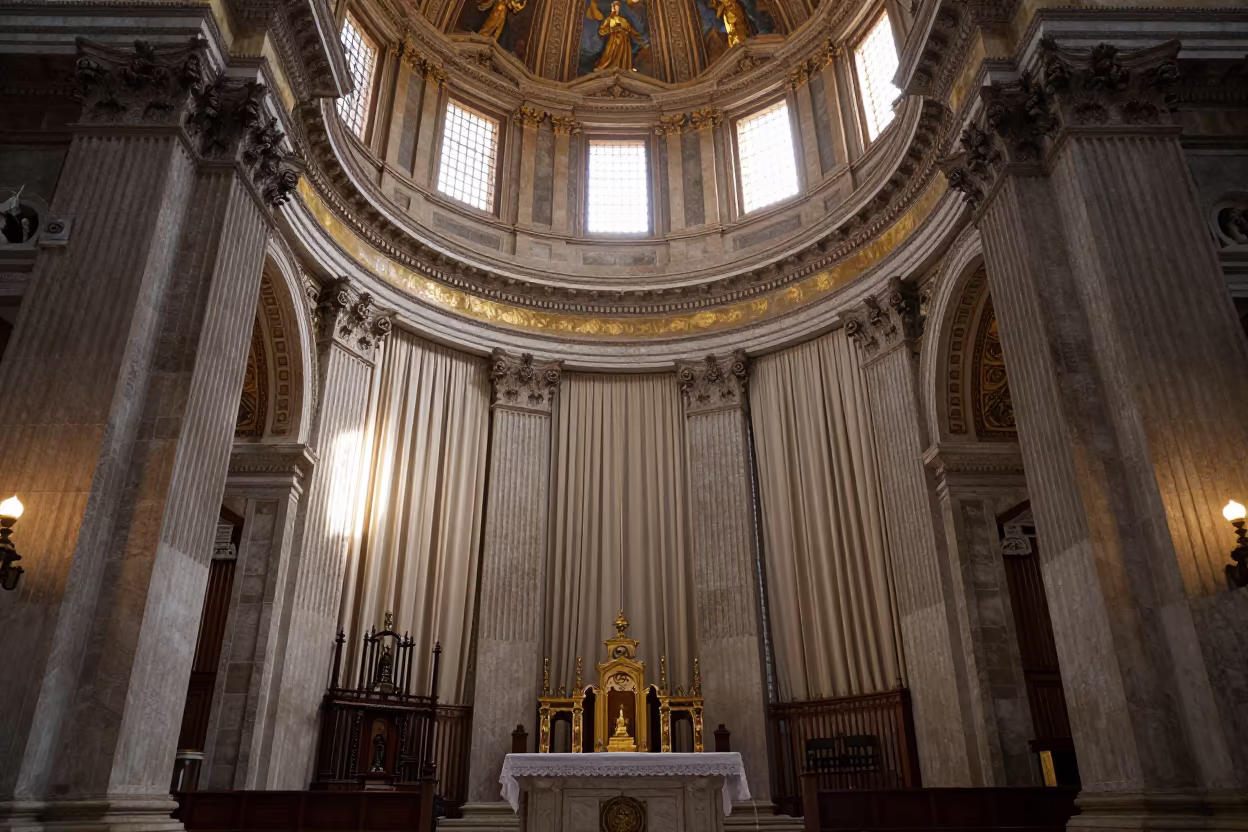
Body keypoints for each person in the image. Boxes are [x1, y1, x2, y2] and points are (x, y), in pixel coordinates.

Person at [594, 1, 640, 72]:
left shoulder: (623, 20)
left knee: (624, 55)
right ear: (613, 8)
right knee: (611, 52)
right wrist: (611, 29)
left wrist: (635, 34)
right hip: (614, 39)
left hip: (624, 40)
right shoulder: (609, 19)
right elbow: (602, 30)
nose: (617, 9)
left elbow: (630, 29)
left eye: (618, 7)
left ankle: (623, 68)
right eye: (616, 7)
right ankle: (606, 66)